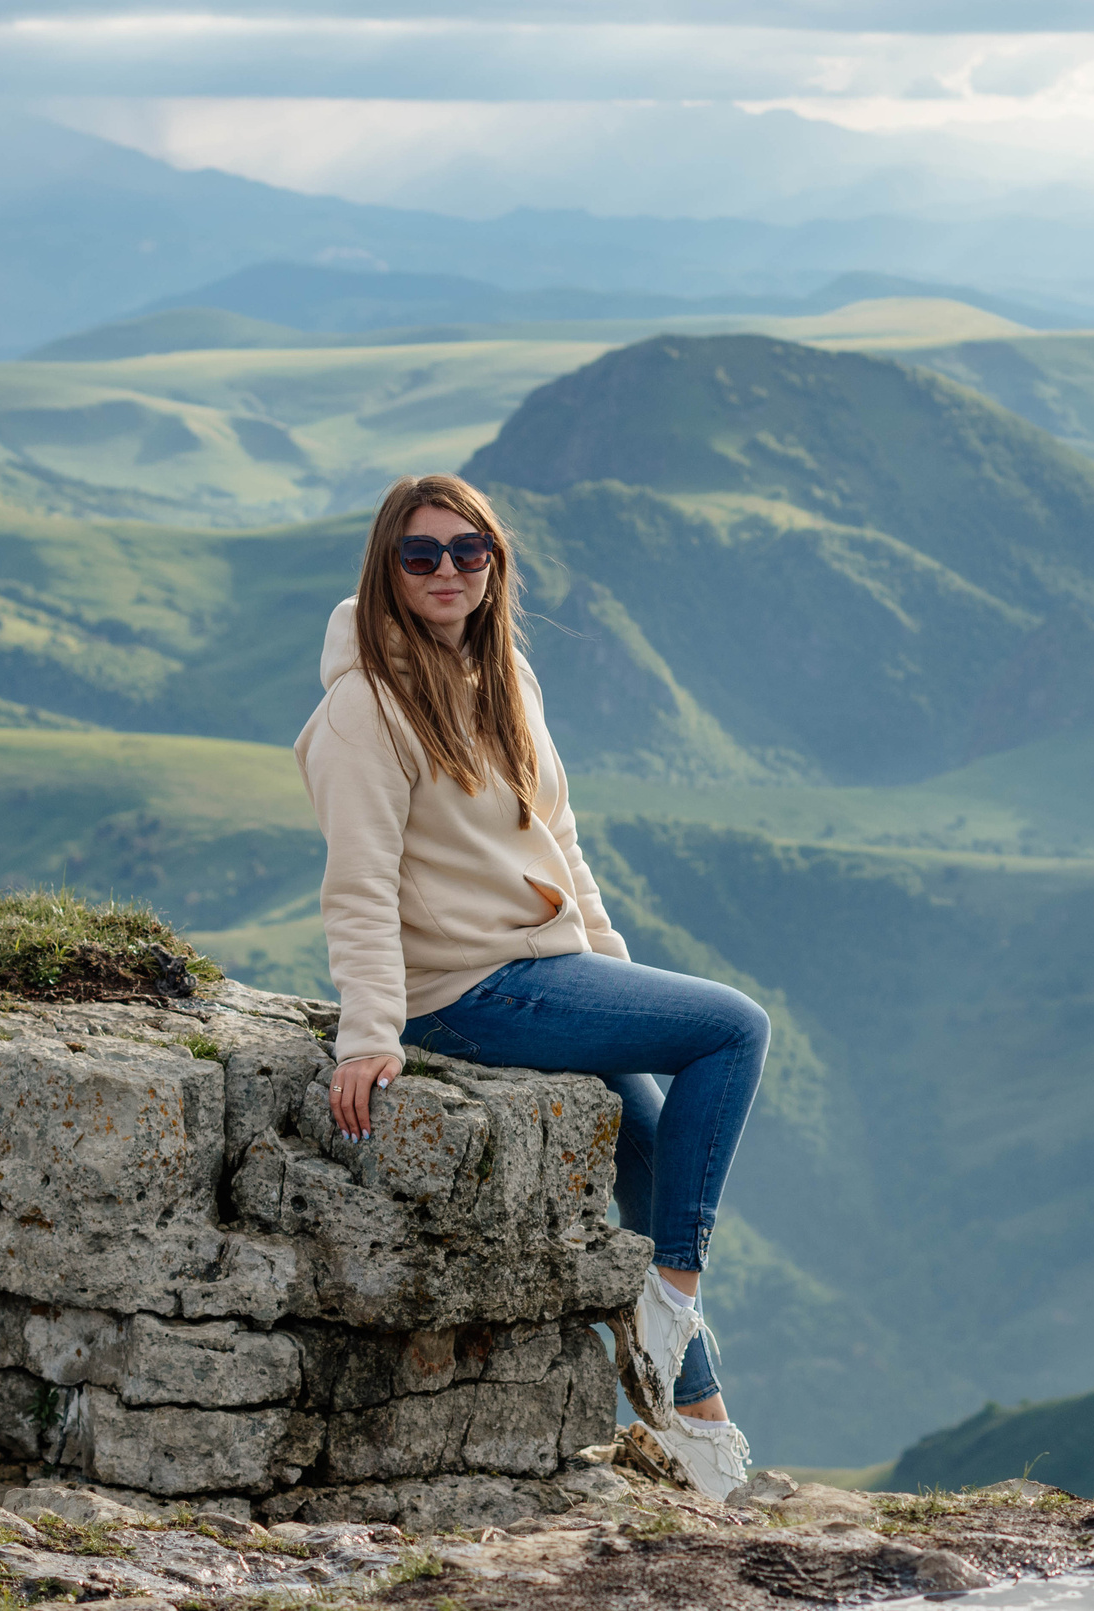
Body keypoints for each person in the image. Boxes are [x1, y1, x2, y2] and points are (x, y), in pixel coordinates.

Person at [295, 471, 768, 1500]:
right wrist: (369, 1033)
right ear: (385, 568)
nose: (448, 571)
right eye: (421, 554)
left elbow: (558, 842)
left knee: (651, 1152)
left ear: (495, 564)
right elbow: (359, 884)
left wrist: (621, 989)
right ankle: (671, 1296)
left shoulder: (505, 673)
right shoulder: (363, 710)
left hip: (552, 971)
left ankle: (696, 1429)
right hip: (465, 993)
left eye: (469, 551)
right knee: (734, 1028)